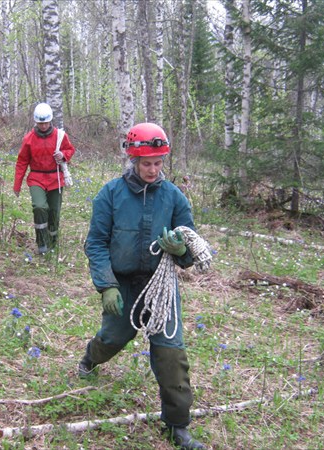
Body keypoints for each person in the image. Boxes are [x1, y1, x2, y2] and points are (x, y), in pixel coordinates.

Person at [78, 123, 207, 450]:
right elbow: (95, 243)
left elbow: (190, 244)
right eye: (146, 163)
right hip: (122, 283)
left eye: (158, 162)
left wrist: (181, 252)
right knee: (115, 337)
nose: (153, 169)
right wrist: (107, 285)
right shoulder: (110, 194)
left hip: (161, 284)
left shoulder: (174, 198)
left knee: (170, 352)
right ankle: (90, 358)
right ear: (133, 160)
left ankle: (178, 426)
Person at [13, 103, 75, 255]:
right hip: (37, 179)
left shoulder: (60, 136)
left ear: (50, 121)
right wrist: (17, 184)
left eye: (46, 123)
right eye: (40, 123)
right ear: (36, 122)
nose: (43, 126)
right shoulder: (29, 138)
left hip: (56, 179)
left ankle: (53, 243)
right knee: (40, 207)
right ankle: (42, 245)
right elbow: (22, 161)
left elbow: (70, 150)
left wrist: (63, 155)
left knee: (54, 211)